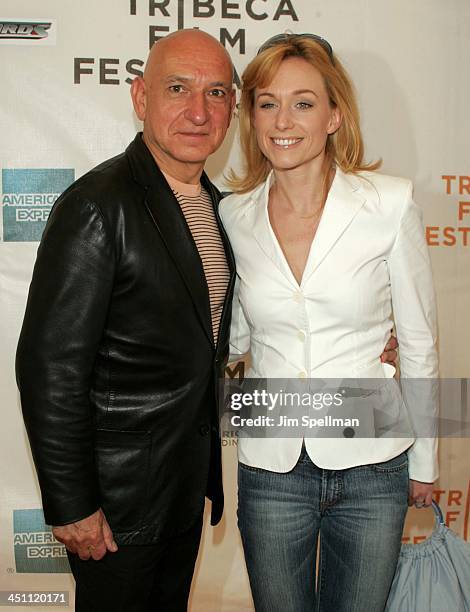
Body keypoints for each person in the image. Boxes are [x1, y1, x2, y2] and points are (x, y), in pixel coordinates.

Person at [15, 29, 237, 612]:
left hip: (181, 492)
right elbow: (49, 368)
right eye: (177, 88)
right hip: (116, 508)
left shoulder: (216, 207)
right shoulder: (98, 205)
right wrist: (72, 505)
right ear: (140, 99)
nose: (198, 111)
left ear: (233, 109)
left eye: (217, 93)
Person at [220, 34, 438, 612]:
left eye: (303, 102)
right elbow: (236, 336)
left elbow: (418, 342)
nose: (282, 120)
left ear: (335, 115)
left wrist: (427, 459)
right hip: (271, 466)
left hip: (373, 464)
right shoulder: (233, 216)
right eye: (267, 102)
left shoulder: (389, 204)